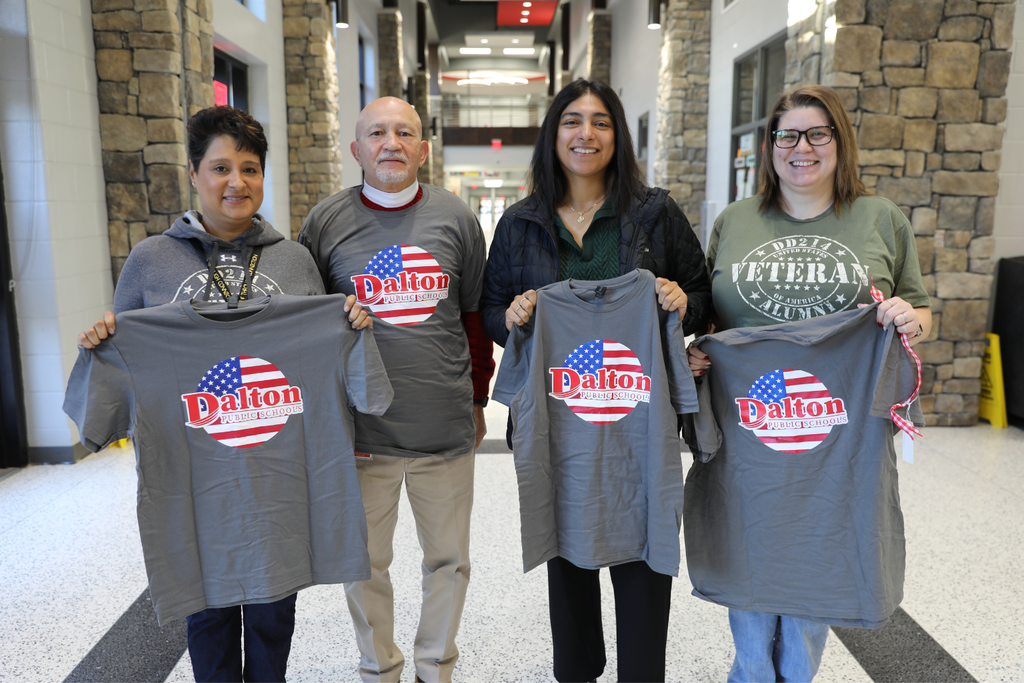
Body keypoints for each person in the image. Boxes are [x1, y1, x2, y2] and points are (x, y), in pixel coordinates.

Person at [78, 105, 371, 683]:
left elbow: (320, 352)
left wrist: (351, 322)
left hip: (278, 470)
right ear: (194, 174)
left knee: (273, 607)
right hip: (194, 470)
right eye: (220, 168)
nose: (236, 182)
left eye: (250, 168)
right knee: (206, 610)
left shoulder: (293, 259)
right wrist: (104, 340)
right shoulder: (150, 261)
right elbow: (131, 354)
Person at [687, 84, 932, 682]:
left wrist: (909, 319)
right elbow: (710, 315)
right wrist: (693, 351)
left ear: (839, 141)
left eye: (818, 133)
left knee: (818, 545)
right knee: (746, 545)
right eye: (787, 135)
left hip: (836, 425)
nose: (802, 147)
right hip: (748, 417)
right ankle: (748, 672)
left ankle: (795, 676)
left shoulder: (880, 218)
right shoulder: (735, 221)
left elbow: (922, 310)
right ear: (770, 147)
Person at [480, 78, 711, 683]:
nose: (586, 134)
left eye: (601, 122)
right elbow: (489, 308)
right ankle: (576, 672)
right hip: (560, 420)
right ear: (552, 135)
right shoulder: (520, 223)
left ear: (619, 136)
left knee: (643, 551)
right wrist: (509, 318)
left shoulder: (655, 213)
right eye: (572, 121)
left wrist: (681, 298)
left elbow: (704, 293)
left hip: (639, 418)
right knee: (568, 554)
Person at [297, 96, 493, 683]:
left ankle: (436, 666)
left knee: (449, 562)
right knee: (364, 564)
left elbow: (476, 320)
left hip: (443, 426)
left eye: (404, 132)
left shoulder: (456, 217)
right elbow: (307, 329)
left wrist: (479, 400)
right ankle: (378, 668)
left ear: (423, 150)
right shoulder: (325, 223)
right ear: (356, 149)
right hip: (361, 433)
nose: (391, 143)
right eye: (377, 132)